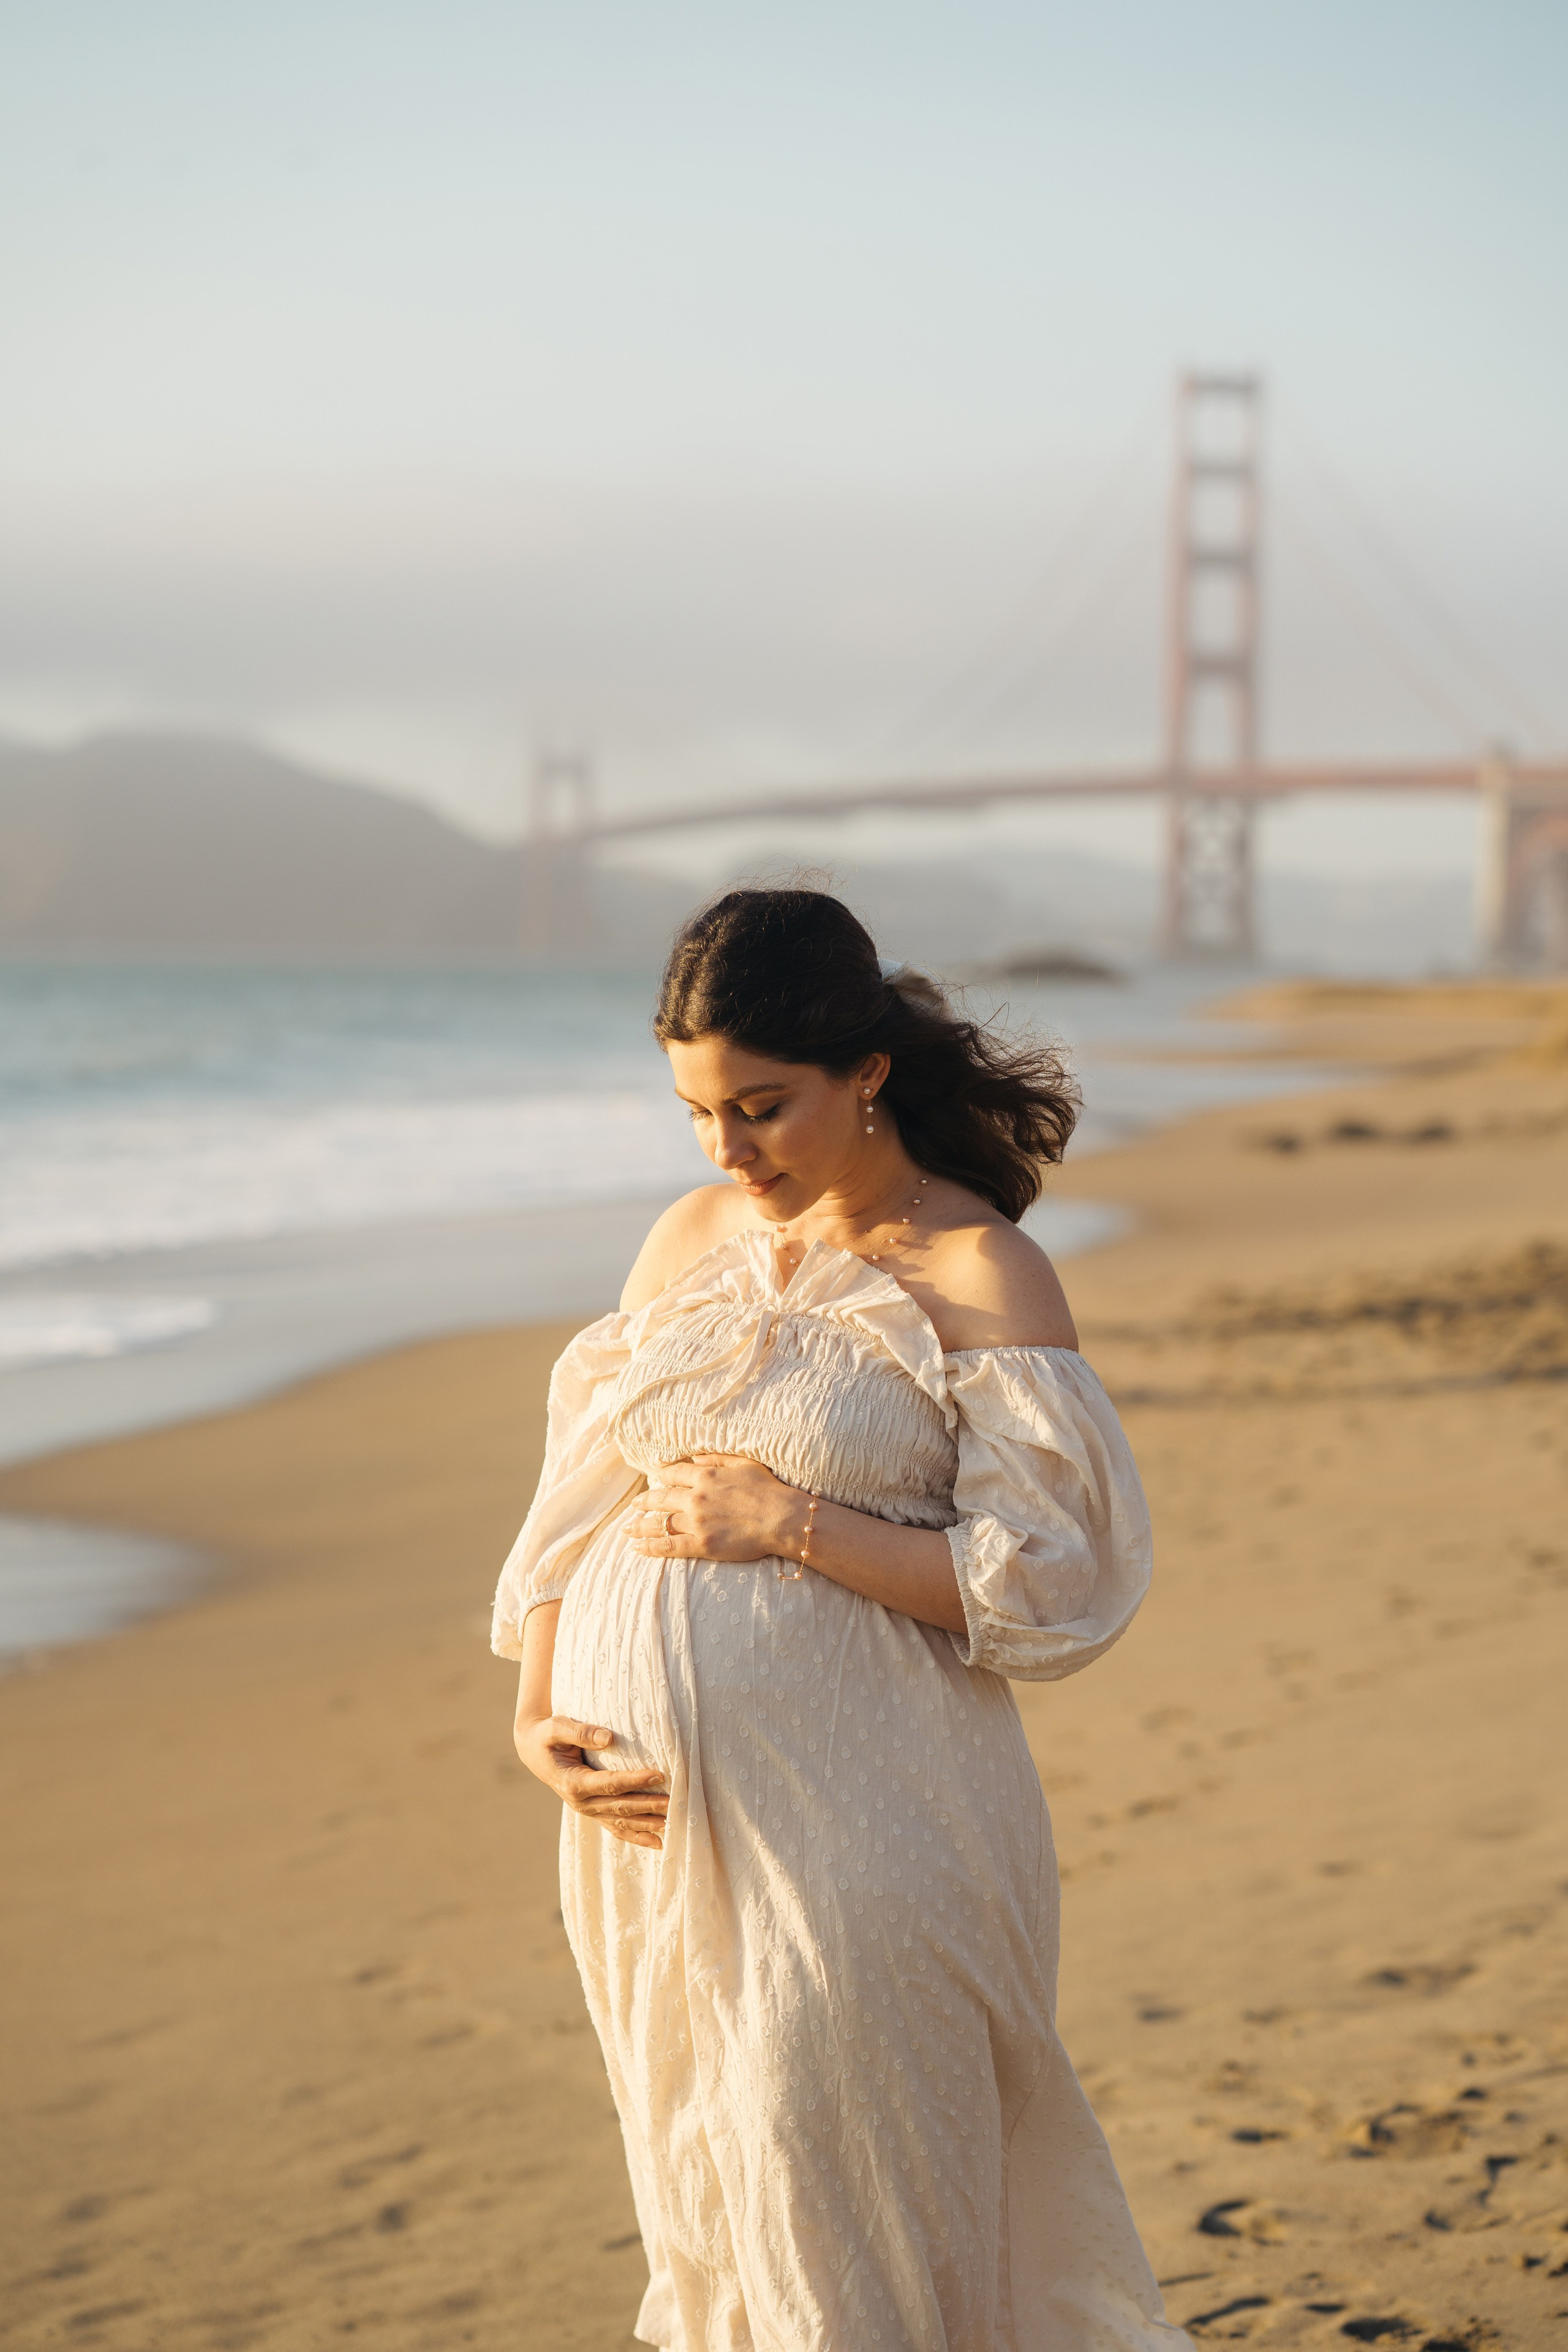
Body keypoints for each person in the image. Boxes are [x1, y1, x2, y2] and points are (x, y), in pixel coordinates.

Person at [494, 888, 1191, 2351]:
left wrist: (790, 1524)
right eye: (697, 1113)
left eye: (761, 1107)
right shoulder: (686, 1238)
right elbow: (573, 1506)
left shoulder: (974, 1273)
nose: (726, 1151)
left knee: (856, 2194)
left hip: (870, 1825)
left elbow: (1049, 1584)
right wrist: (537, 1717)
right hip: (646, 1836)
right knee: (713, 2187)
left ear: (865, 1071)